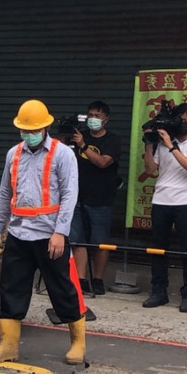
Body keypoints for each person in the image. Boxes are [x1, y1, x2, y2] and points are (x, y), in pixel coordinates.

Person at [0, 99, 87, 365]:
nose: (28, 135)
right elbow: (5, 193)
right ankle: (8, 346)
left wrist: (60, 233)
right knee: (11, 288)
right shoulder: (13, 154)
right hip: (18, 233)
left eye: (33, 130)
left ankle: (78, 343)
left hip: (50, 235)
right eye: (24, 131)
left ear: (46, 128)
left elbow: (69, 195)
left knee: (62, 288)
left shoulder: (63, 154)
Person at [141, 101, 187, 312]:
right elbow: (151, 170)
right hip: (161, 200)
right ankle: (158, 291)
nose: (183, 125)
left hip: (185, 202)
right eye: (180, 121)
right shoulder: (163, 142)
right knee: (158, 249)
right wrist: (149, 142)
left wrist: (172, 145)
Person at [70, 101, 121, 296]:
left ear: (105, 119)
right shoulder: (76, 137)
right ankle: (81, 280)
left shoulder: (112, 141)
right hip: (76, 198)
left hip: (101, 199)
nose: (93, 119)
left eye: (97, 116)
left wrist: (83, 145)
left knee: (100, 242)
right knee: (77, 240)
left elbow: (102, 162)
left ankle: (98, 279)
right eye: (90, 114)